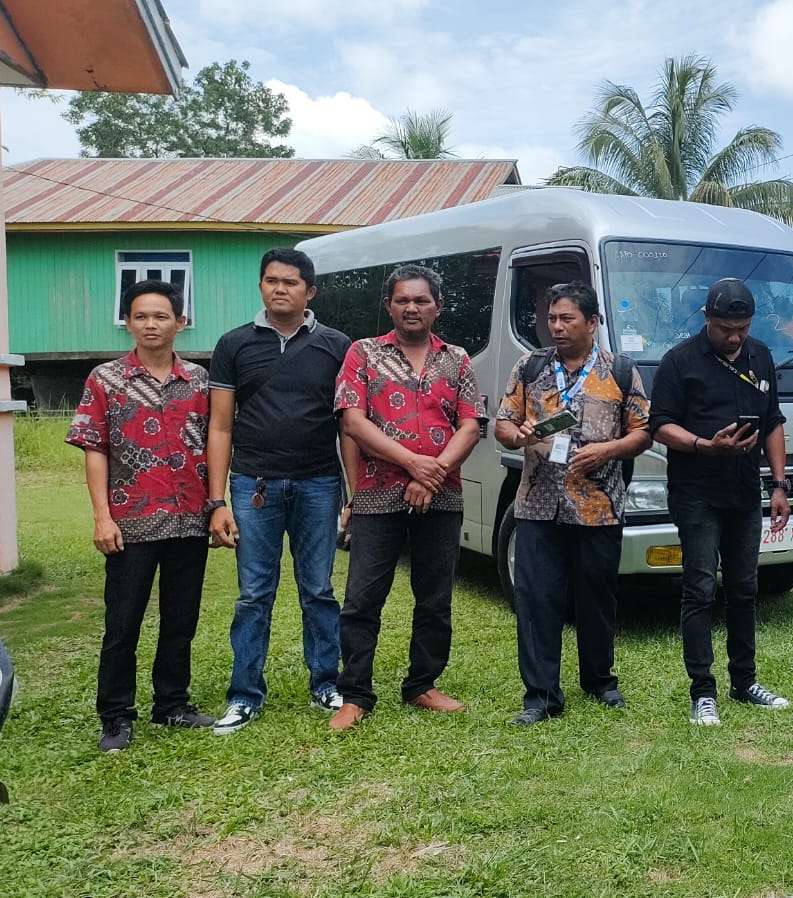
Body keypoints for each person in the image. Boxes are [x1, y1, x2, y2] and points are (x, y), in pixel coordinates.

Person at [328, 264, 486, 730]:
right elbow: (353, 422)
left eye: (421, 300)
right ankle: (355, 693)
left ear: (437, 306)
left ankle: (423, 684)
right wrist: (412, 462)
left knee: (434, 596)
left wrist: (431, 473)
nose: (411, 307)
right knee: (362, 597)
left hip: (441, 496)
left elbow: (471, 424)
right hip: (377, 495)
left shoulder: (457, 359)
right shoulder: (364, 354)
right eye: (402, 300)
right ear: (389, 306)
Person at [207, 248, 353, 735]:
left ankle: (326, 683)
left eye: (290, 282)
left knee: (318, 590)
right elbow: (221, 427)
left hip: (319, 483)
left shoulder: (337, 346)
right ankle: (245, 694)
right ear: (260, 286)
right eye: (270, 280)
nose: (278, 289)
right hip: (254, 486)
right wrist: (217, 500)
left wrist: (352, 494)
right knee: (254, 595)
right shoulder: (234, 345)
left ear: (310, 291)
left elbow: (348, 427)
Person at [67, 280, 215, 752]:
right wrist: (100, 517)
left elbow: (217, 443)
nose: (151, 325)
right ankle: (115, 716)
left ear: (181, 322)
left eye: (161, 316)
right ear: (128, 322)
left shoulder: (199, 381)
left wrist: (217, 505)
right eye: (141, 316)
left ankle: (172, 704)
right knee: (123, 622)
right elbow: (95, 448)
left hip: (189, 519)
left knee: (181, 618)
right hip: (129, 522)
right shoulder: (105, 379)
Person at [496, 282, 651, 726]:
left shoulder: (620, 370)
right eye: (552, 319)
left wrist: (608, 451)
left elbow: (643, 430)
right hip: (537, 505)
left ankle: (600, 681)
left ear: (592, 322)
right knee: (536, 598)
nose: (557, 327)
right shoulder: (530, 367)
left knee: (596, 598)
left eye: (567, 319)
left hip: (598, 505)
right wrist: (518, 434)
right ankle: (541, 696)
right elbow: (502, 426)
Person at [649, 277, 793, 727]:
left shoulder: (761, 357)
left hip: (744, 492)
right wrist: (703, 444)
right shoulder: (680, 362)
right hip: (696, 493)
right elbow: (660, 425)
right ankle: (702, 692)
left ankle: (744, 681)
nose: (734, 337)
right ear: (707, 319)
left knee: (745, 588)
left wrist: (779, 484)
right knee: (699, 589)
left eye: (741, 329)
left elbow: (772, 423)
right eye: (725, 329)